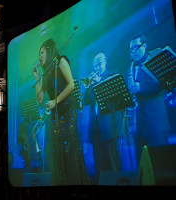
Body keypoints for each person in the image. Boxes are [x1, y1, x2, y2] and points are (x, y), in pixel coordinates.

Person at [33, 38, 88, 185]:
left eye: (42, 52)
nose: (40, 56)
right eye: (39, 54)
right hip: (55, 116)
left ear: (50, 51)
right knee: (58, 152)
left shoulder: (61, 61)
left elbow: (71, 85)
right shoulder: (45, 73)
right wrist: (38, 79)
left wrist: (55, 101)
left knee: (69, 149)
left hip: (67, 112)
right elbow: (39, 99)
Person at [127, 34, 170, 159]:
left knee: (162, 164)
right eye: (131, 49)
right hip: (139, 126)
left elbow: (162, 82)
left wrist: (140, 87)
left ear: (144, 45)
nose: (133, 51)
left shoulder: (155, 58)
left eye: (136, 47)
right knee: (144, 168)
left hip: (156, 124)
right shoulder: (130, 68)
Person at [82, 52, 122, 184]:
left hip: (109, 127)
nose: (97, 66)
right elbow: (86, 102)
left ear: (105, 62)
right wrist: (87, 88)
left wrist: (99, 82)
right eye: (95, 64)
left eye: (99, 62)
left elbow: (114, 97)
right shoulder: (92, 82)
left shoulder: (112, 74)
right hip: (95, 128)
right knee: (100, 165)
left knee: (112, 163)